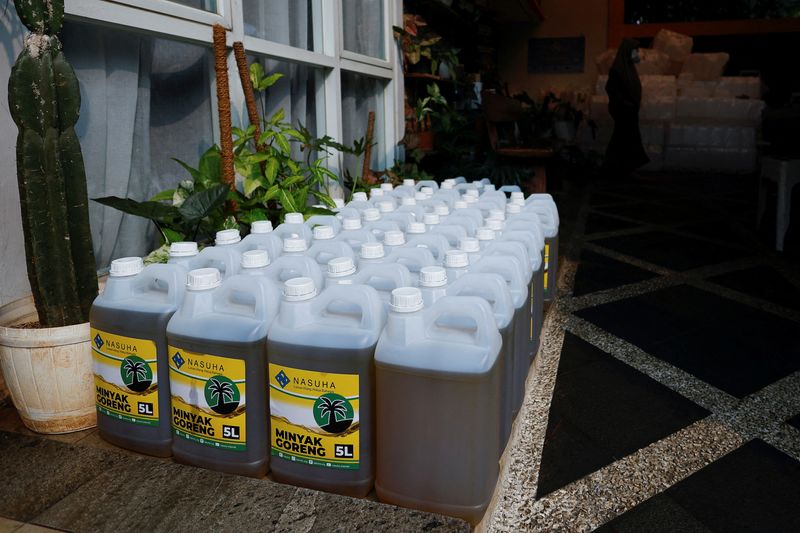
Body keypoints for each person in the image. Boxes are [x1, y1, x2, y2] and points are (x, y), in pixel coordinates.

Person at [603, 39, 649, 178]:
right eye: (635, 51)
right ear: (628, 52)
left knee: (623, 140)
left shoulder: (629, 68)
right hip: (623, 111)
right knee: (626, 139)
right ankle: (621, 169)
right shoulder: (618, 69)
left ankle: (616, 168)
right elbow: (611, 88)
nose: (637, 54)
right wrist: (624, 103)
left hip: (630, 111)